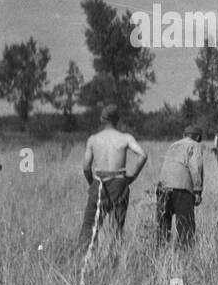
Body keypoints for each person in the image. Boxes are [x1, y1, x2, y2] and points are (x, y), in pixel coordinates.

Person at [78, 105, 148, 249]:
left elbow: (86, 167)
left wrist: (92, 183)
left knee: (89, 226)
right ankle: (114, 261)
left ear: (102, 119)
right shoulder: (125, 138)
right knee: (116, 227)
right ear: (117, 119)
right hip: (119, 182)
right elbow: (143, 155)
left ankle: (82, 257)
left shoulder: (93, 139)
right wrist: (132, 176)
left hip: (99, 181)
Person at [157, 124, 205, 247]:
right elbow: (196, 167)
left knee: (163, 222)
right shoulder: (195, 145)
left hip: (163, 185)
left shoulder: (173, 145)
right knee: (185, 224)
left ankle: (160, 251)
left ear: (184, 135)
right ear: (198, 137)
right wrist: (197, 190)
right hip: (182, 186)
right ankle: (185, 253)